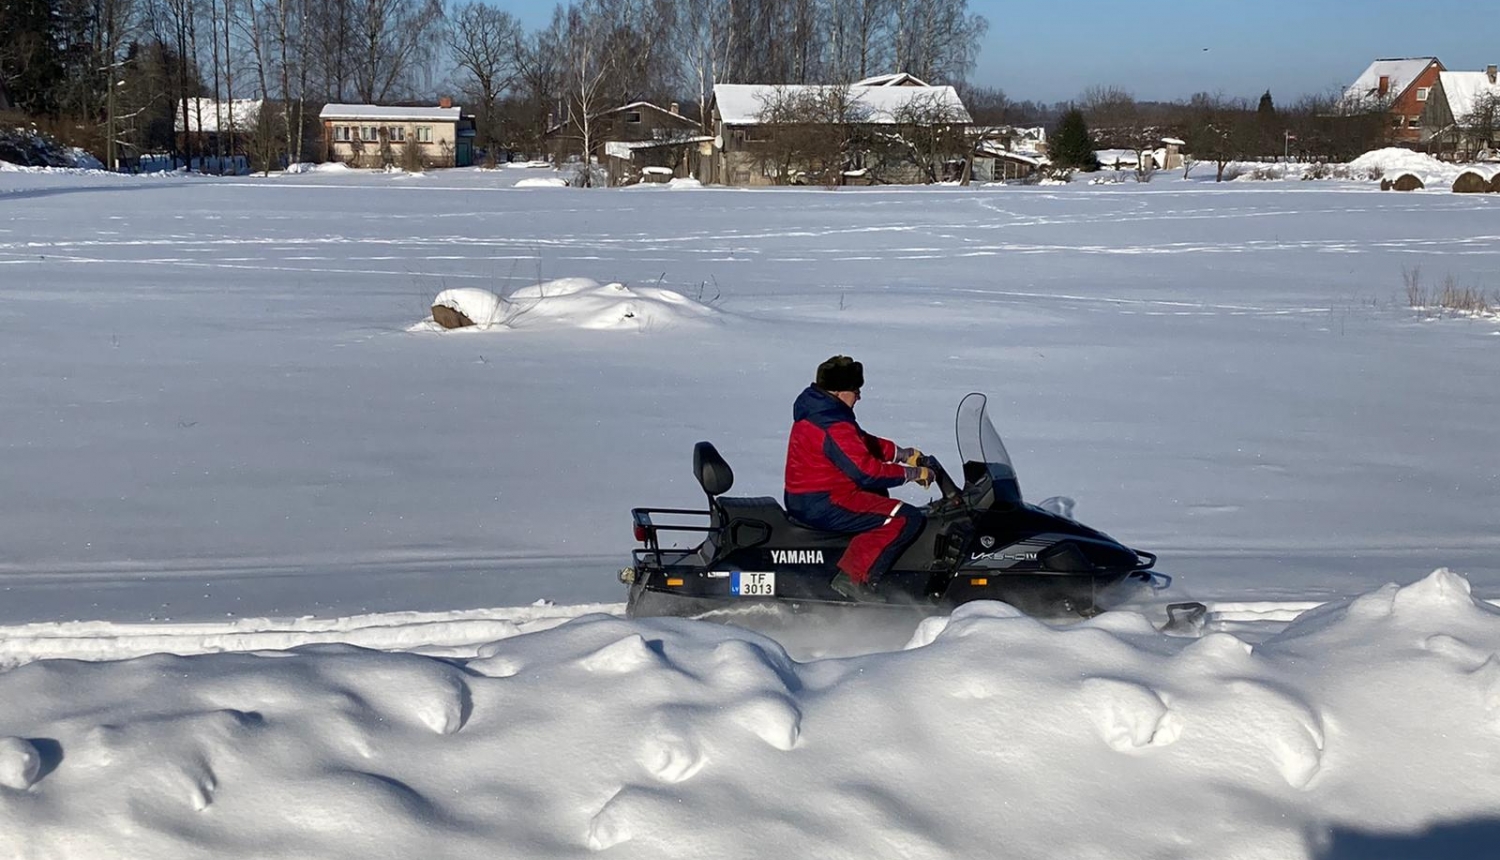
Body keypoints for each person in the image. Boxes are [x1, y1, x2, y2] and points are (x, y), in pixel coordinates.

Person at [783, 355, 933, 601]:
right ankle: (853, 580)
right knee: (904, 518)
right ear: (839, 391)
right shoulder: (833, 424)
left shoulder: (821, 411)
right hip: (825, 501)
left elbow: (860, 443)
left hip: (809, 497)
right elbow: (866, 472)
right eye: (855, 390)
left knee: (879, 498)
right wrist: (913, 474)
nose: (859, 396)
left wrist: (903, 454)